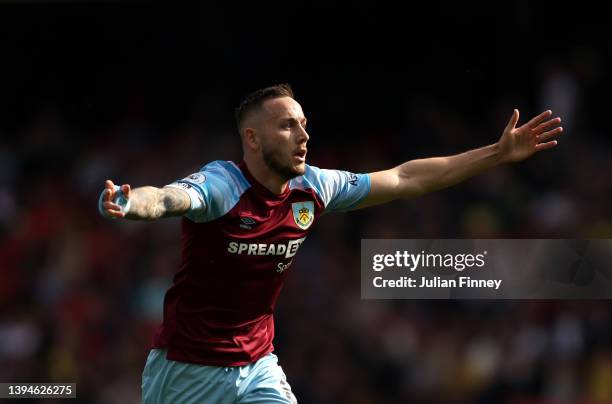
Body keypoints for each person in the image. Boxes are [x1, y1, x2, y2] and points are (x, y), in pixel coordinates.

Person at [98, 83, 562, 403]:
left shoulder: (314, 188)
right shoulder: (223, 185)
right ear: (252, 139)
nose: (303, 136)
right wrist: (129, 202)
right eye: (288, 127)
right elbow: (167, 197)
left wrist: (496, 154)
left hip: (258, 364)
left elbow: (404, 178)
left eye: (304, 124)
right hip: (186, 370)